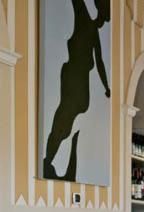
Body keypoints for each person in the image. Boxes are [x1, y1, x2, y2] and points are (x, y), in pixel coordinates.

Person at [42, 0, 111, 181]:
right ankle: (47, 160)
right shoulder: (84, 19)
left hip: (82, 81)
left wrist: (106, 87)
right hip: (74, 75)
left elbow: (100, 62)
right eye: (105, 13)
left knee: (66, 123)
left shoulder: (94, 32)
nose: (105, 19)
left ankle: (49, 160)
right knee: (62, 123)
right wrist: (106, 87)